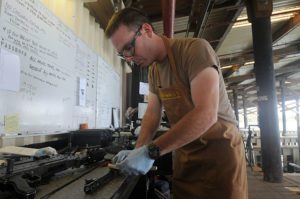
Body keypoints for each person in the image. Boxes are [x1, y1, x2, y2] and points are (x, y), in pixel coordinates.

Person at [105, 8, 248, 199]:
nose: (129, 58)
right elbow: (152, 115)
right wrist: (137, 151)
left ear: (147, 30)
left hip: (219, 157)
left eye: (130, 47)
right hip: (187, 156)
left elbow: (206, 113)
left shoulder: (195, 50)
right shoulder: (154, 71)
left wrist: (151, 152)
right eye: (123, 54)